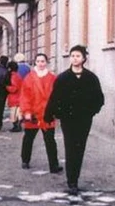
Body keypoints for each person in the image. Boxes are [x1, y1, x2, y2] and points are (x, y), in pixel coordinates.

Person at [44, 45, 105, 196]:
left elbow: (99, 98)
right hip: (68, 119)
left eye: (78, 56)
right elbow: (54, 97)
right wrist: (50, 113)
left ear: (84, 58)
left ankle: (75, 177)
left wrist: (92, 111)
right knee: (70, 146)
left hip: (84, 119)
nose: (75, 58)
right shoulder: (63, 77)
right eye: (72, 56)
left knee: (80, 147)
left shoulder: (91, 78)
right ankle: (72, 182)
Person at [20, 54, 63, 174]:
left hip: (47, 114)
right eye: (38, 61)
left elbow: (57, 96)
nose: (40, 63)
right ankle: (25, 160)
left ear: (46, 63)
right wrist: (27, 111)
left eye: (43, 61)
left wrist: (56, 111)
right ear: (35, 63)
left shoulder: (53, 78)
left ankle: (53, 165)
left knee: (50, 141)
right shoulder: (29, 78)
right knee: (28, 138)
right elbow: (25, 96)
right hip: (33, 114)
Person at [5, 61, 23, 132]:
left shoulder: (13, 76)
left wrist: (6, 87)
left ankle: (16, 127)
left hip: (14, 97)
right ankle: (18, 126)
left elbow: (14, 88)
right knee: (18, 113)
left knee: (14, 114)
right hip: (19, 97)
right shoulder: (18, 75)